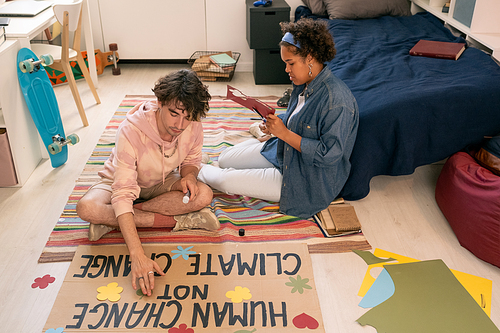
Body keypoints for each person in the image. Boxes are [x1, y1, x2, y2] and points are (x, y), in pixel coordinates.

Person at [76, 69, 219, 297]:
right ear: (160, 102)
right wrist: (138, 255)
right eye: (173, 113)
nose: (180, 124)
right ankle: (175, 220)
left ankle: (113, 221)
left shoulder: (192, 124)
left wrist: (189, 177)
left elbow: (191, 161)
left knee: (203, 194)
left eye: (188, 117)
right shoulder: (131, 130)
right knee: (86, 208)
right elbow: (122, 192)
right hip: (119, 180)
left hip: (158, 184)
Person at [198, 18, 359, 219]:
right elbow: (301, 117)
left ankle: (192, 169)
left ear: (310, 58)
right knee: (224, 158)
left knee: (224, 181)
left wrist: (284, 133)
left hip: (304, 177)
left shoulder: (337, 101)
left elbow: (329, 155)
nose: (286, 70)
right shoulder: (305, 84)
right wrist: (276, 125)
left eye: (290, 63)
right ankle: (209, 165)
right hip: (284, 151)